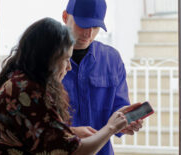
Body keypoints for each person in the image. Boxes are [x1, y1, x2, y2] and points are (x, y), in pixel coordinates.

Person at [0, 17, 139, 154]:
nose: (69, 67)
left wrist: (70, 132)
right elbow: (76, 152)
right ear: (47, 58)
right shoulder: (30, 93)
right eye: (66, 59)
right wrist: (110, 128)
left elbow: (35, 132)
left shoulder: (20, 84)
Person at [61, 0, 143, 154]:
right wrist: (69, 132)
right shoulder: (45, 59)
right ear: (65, 17)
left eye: (96, 27)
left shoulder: (112, 59)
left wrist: (125, 122)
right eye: (83, 25)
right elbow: (35, 122)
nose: (89, 33)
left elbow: (119, 108)